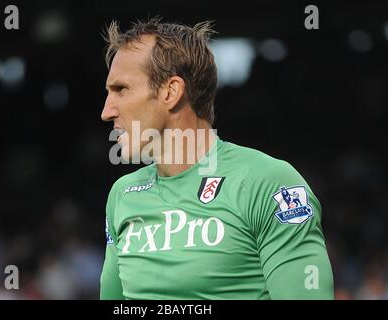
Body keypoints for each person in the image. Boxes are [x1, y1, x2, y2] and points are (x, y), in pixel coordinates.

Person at [99, 17, 334, 299]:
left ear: (171, 92)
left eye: (121, 89)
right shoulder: (122, 195)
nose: (107, 111)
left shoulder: (269, 184)